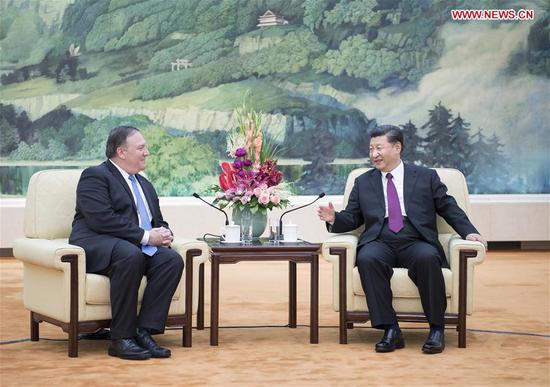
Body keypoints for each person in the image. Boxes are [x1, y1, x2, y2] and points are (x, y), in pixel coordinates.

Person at [318, 125, 486, 354]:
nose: (373, 154)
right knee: (367, 258)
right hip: (380, 238)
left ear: (397, 147)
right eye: (371, 149)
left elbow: (448, 206)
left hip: (415, 238)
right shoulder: (364, 181)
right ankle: (390, 329)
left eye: (379, 148)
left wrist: (469, 231)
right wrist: (334, 218)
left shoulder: (426, 177)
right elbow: (353, 217)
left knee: (427, 258)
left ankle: (436, 329)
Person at [69, 125, 183, 360]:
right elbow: (102, 219)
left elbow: (156, 220)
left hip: (132, 246)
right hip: (96, 242)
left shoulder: (145, 185)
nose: (147, 152)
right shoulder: (96, 176)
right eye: (141, 147)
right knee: (129, 253)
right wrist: (146, 236)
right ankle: (121, 338)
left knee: (170, 260)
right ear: (121, 152)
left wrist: (164, 234)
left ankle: (144, 331)